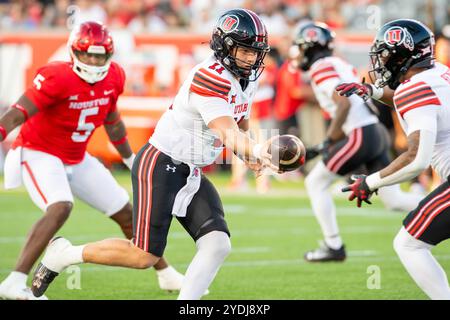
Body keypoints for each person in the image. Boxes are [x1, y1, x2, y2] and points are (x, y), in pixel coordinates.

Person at [30, 9, 276, 300]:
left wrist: (247, 153)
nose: (251, 59)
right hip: (161, 163)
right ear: (224, 46)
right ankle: (64, 254)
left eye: (255, 52)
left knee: (217, 244)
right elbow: (226, 131)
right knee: (143, 254)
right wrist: (260, 148)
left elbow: (239, 122)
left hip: (190, 170)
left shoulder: (245, 77)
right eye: (245, 51)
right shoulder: (210, 77)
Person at [0, 21, 183, 300]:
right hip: (39, 152)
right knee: (60, 206)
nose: (94, 61)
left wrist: (131, 159)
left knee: (128, 214)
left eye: (100, 55)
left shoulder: (114, 77)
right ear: (75, 52)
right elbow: (18, 113)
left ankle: (166, 274)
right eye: (88, 54)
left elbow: (113, 121)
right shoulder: (56, 76)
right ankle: (14, 281)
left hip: (76, 157)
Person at [291, 22, 423, 262]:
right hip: (374, 132)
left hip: (362, 134)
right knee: (394, 200)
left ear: (309, 47)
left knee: (315, 182)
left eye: (300, 48)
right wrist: (326, 144)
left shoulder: (321, 67)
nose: (298, 54)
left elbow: (343, 102)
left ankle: (333, 246)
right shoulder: (338, 63)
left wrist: (328, 140)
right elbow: (349, 107)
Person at [338, 19, 450, 299]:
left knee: (409, 244)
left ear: (404, 56)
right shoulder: (439, 72)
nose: (382, 62)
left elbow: (416, 158)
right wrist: (373, 92)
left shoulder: (415, 88)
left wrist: (370, 182)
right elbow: (411, 97)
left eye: (386, 54)